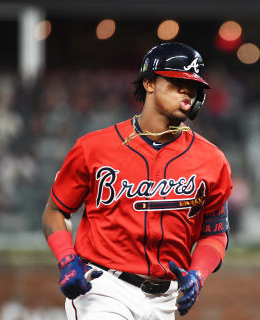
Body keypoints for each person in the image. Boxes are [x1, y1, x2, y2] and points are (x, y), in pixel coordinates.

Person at [41, 42, 232, 319]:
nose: (187, 91)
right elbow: (56, 210)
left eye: (193, 86)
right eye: (177, 82)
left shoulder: (213, 160)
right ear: (150, 83)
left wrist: (198, 274)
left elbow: (215, 233)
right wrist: (67, 259)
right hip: (103, 287)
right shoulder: (94, 147)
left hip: (165, 300)